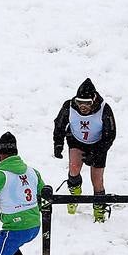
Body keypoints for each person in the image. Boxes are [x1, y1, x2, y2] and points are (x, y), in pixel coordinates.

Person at [52, 78, 117, 222]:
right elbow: (59, 125)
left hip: (99, 144)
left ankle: (99, 210)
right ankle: (75, 194)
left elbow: (110, 135)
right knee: (74, 168)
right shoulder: (69, 106)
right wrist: (58, 144)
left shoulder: (104, 109)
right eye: (80, 102)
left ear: (93, 100)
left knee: (97, 179)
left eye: (86, 103)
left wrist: (96, 154)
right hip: (77, 141)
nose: (83, 106)